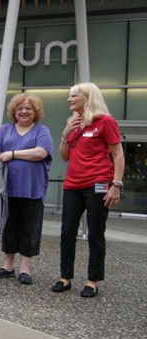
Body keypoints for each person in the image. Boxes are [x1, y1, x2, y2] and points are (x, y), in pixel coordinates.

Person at [53, 83, 125, 298]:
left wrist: (116, 185)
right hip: (72, 185)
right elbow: (64, 156)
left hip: (99, 183)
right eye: (69, 95)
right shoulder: (73, 123)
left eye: (74, 95)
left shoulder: (106, 122)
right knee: (67, 233)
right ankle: (65, 278)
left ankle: (92, 280)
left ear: (88, 98)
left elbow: (118, 155)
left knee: (95, 233)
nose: (69, 99)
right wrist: (66, 135)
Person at [0, 94, 54, 285]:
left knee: (29, 228)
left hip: (32, 190)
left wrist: (12, 154)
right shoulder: (4, 129)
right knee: (9, 227)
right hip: (7, 189)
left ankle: (25, 268)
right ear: (14, 111)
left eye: (28, 108)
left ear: (36, 112)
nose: (24, 111)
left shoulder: (42, 131)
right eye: (20, 108)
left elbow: (41, 152)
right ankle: (8, 266)